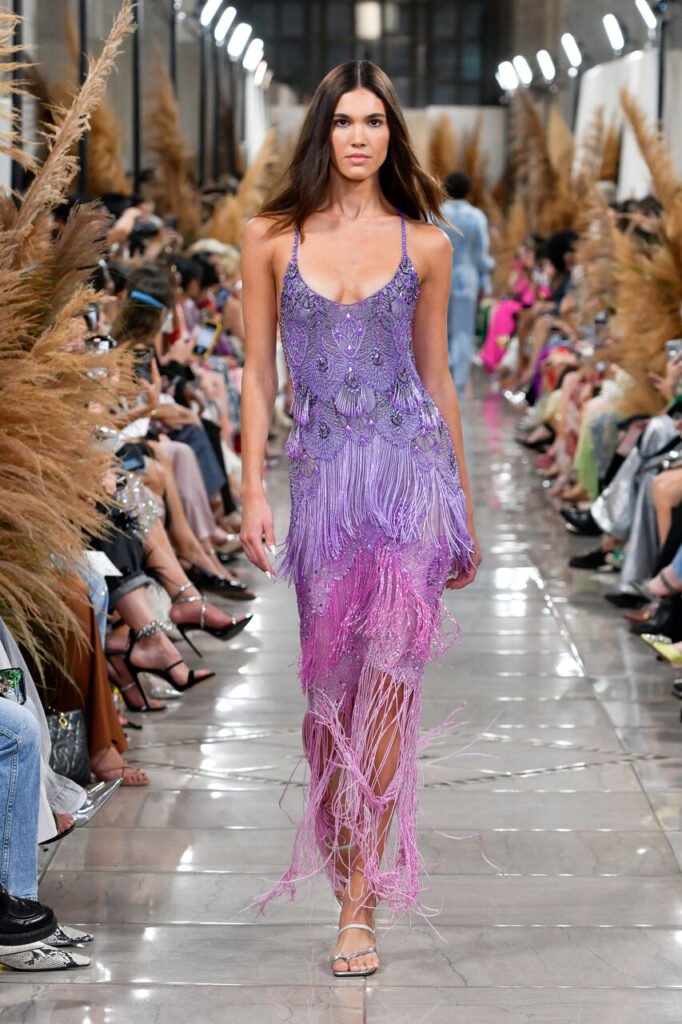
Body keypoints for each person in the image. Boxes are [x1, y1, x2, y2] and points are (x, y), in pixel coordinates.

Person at [239, 61, 481, 978]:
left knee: (387, 688)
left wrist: (462, 505)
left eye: (374, 121)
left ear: (391, 134)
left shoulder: (428, 244)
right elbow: (258, 374)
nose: (358, 136)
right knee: (329, 698)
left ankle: (359, 904)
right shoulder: (270, 238)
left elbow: (438, 378)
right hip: (324, 490)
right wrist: (253, 490)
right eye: (344, 121)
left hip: (411, 481)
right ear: (322, 132)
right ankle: (348, 859)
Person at [439, 170, 492, 396]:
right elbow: (481, 253)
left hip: (440, 274)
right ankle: (458, 382)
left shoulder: (435, 213)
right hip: (467, 277)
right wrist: (485, 281)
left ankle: (440, 374)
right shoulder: (476, 217)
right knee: (463, 329)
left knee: (439, 326)